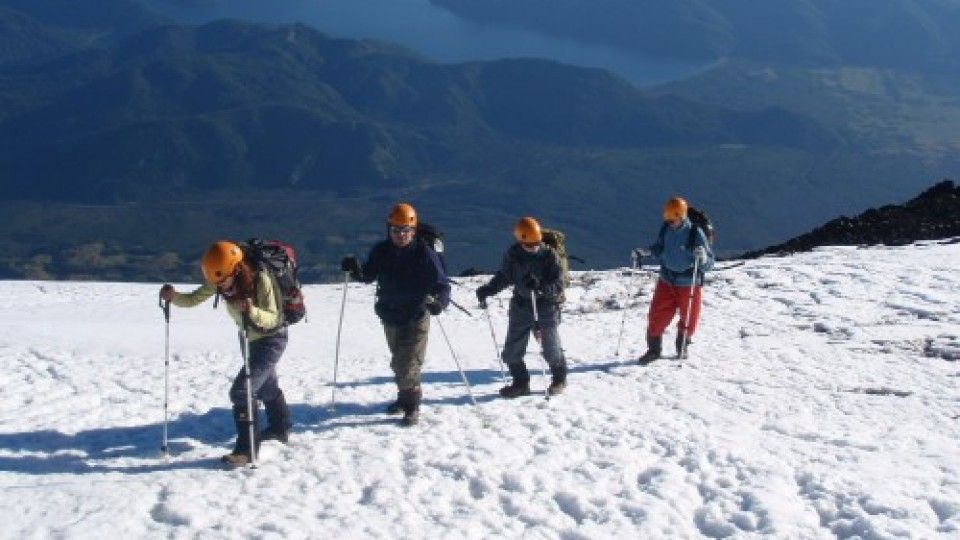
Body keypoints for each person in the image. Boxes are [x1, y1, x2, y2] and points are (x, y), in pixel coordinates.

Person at [159, 241, 292, 466]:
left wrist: (251, 310)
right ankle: (280, 429)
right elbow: (194, 298)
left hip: (271, 340)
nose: (219, 286)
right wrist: (174, 297)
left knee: (242, 391)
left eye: (222, 280)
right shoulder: (220, 281)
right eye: (216, 282)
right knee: (266, 387)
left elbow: (274, 318)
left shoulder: (261, 279)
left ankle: (247, 450)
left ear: (236, 269)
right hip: (248, 339)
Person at [340, 203, 450, 427]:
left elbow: (442, 285)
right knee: (398, 360)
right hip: (390, 314)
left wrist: (440, 302)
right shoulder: (382, 251)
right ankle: (404, 398)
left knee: (408, 363)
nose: (400, 235)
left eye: (405, 231)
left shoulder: (425, 253)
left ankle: (412, 407)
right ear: (389, 230)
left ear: (413, 231)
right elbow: (369, 276)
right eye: (396, 230)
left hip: (416, 314)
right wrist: (354, 269)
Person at [476, 217, 568, 397]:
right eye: (529, 245)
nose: (534, 247)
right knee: (512, 350)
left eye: (537, 243)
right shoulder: (513, 255)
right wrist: (489, 289)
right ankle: (520, 382)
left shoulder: (550, 256)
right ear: (520, 240)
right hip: (521, 305)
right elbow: (505, 276)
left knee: (550, 348)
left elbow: (559, 284)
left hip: (546, 306)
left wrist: (541, 286)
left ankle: (559, 379)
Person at [636, 196, 715, 364]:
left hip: (688, 282)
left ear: (681, 216)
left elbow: (709, 263)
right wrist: (647, 252)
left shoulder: (695, 233)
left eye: (673, 220)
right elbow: (660, 248)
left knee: (688, 319)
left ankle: (682, 346)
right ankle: (653, 350)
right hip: (667, 279)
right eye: (668, 219)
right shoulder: (666, 229)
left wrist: (702, 259)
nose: (670, 223)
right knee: (656, 315)